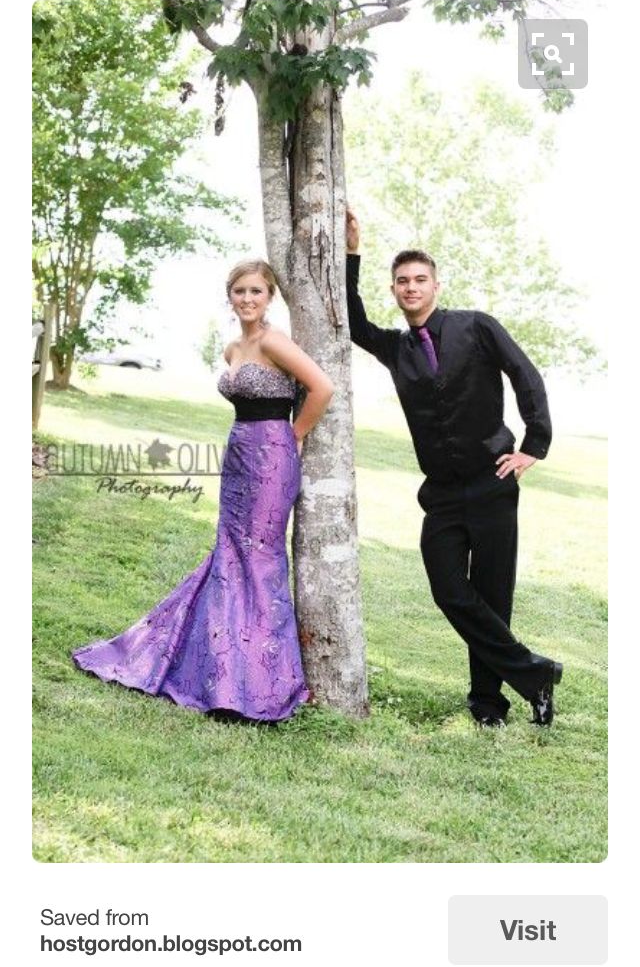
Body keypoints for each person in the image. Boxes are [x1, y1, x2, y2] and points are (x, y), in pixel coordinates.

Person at [73, 260, 334, 722]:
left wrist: (293, 437)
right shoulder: (233, 348)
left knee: (259, 559)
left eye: (256, 291)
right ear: (230, 297)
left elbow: (321, 387)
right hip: (238, 454)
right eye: (239, 291)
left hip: (272, 455)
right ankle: (222, 671)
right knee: (230, 556)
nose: (248, 299)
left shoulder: (275, 341)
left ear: (269, 296)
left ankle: (260, 681)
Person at [345, 210, 562, 727]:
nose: (411, 287)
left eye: (420, 279)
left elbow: (525, 375)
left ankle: (489, 705)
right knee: (449, 590)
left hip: (494, 483)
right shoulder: (396, 349)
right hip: (440, 493)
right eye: (402, 281)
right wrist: (353, 254)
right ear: (394, 291)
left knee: (492, 595)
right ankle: (534, 673)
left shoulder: (476, 327)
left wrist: (535, 443)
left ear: (436, 285)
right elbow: (352, 322)